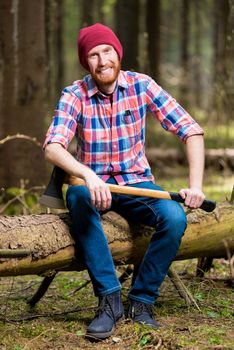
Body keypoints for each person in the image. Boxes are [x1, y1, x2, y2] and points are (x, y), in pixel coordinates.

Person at [43, 23, 205, 340]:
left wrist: (196, 185)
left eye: (107, 51)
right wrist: (88, 175)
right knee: (77, 198)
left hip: (137, 184)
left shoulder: (141, 85)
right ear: (85, 62)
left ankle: (141, 301)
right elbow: (53, 147)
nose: (102, 60)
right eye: (93, 55)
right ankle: (109, 300)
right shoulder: (74, 94)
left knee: (173, 217)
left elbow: (191, 130)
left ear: (118, 53)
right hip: (92, 187)